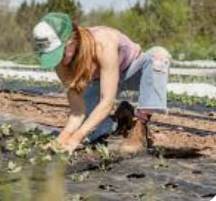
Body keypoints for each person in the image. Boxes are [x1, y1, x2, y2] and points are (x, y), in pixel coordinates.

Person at [32, 12, 171, 154]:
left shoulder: (102, 42)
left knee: (159, 56)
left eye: (60, 53)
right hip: (100, 82)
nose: (59, 61)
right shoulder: (61, 63)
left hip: (131, 72)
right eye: (53, 56)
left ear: (72, 39)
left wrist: (76, 138)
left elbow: (106, 102)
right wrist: (61, 139)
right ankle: (123, 116)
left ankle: (140, 126)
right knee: (95, 131)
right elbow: (77, 112)